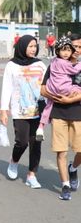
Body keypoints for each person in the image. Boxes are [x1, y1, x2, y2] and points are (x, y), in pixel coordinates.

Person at [0, 35, 47, 189]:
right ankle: (14, 161)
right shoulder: (11, 65)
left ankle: (31, 175)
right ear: (22, 47)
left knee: (36, 144)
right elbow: (6, 88)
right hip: (19, 110)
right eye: (30, 46)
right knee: (22, 142)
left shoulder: (40, 64)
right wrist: (3, 110)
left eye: (35, 46)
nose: (33, 49)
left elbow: (47, 85)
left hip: (38, 109)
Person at [41, 33, 81, 200]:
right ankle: (65, 185)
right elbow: (42, 89)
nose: (78, 50)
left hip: (78, 112)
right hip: (58, 113)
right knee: (61, 151)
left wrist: (70, 98)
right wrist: (56, 97)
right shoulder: (55, 64)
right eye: (76, 47)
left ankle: (73, 168)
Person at [36, 37, 81, 141]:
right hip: (62, 91)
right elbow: (74, 70)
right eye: (75, 47)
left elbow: (44, 89)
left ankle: (41, 127)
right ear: (58, 51)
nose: (66, 53)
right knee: (77, 88)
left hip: (52, 88)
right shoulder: (65, 63)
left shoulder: (54, 61)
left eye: (68, 50)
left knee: (48, 106)